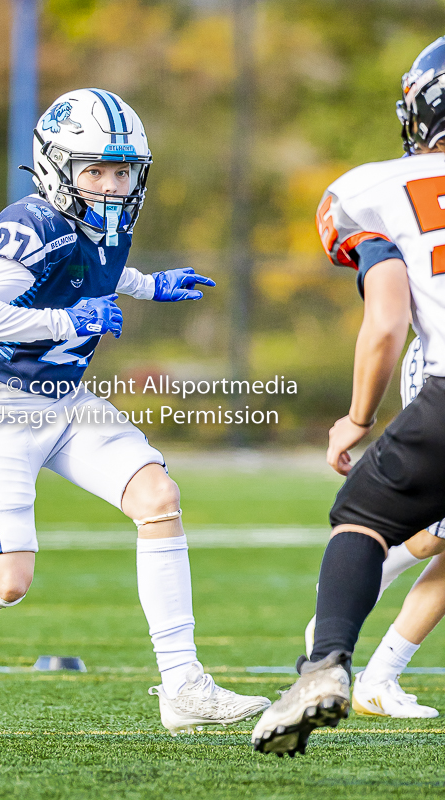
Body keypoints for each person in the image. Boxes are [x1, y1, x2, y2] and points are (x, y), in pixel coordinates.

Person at [0, 88, 270, 734]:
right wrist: (66, 320)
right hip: (3, 406)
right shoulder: (32, 222)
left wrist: (148, 285)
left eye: (121, 171)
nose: (110, 186)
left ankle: (183, 684)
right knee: (7, 581)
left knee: (158, 496)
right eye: (95, 171)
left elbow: (94, 268)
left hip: (68, 402)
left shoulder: (104, 221)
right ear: (57, 167)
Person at [252, 38, 445, 756]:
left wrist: (357, 418)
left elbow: (388, 317)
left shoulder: (371, 189)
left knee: (361, 515)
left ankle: (325, 664)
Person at [304, 337, 445, 719]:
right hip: (441, 369)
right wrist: (357, 418)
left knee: (436, 541)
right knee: (434, 537)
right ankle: (349, 585)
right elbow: (384, 321)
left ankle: (379, 675)